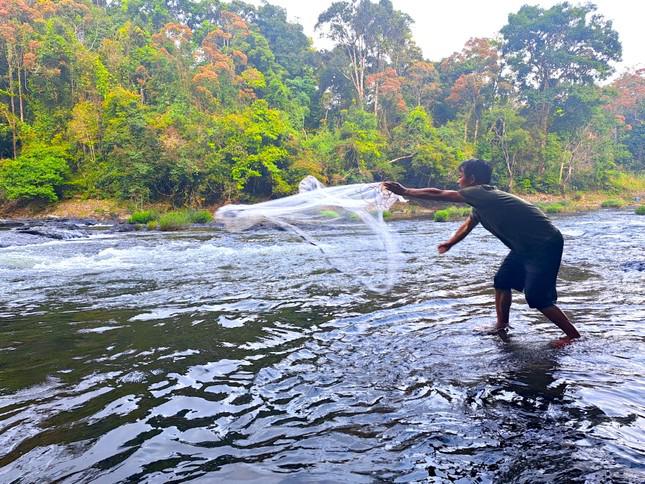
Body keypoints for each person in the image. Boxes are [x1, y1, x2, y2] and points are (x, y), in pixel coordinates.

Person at [384, 158, 580, 348]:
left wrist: (405, 191)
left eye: (460, 176)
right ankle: (501, 324)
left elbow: (439, 194)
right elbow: (468, 225)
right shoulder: (481, 203)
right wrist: (450, 243)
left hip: (544, 244)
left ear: (472, 178)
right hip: (525, 246)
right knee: (502, 281)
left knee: (537, 298)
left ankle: (572, 336)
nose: (458, 180)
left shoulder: (480, 193)